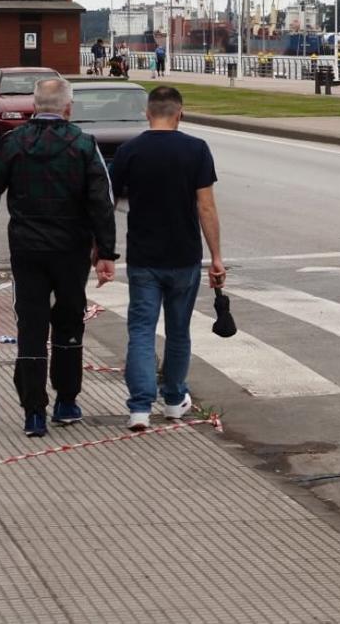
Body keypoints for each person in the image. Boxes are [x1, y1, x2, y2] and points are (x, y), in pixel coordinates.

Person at [0, 78, 117, 437]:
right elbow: (101, 201)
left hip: (27, 249)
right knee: (69, 322)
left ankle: (33, 411)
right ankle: (66, 401)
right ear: (68, 107)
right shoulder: (84, 145)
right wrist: (105, 251)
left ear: (35, 106)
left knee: (31, 325)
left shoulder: (13, 142)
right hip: (71, 250)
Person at [110, 86, 225, 431]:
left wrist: (100, 248)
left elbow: (107, 202)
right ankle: (174, 400)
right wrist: (216, 256)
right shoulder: (197, 150)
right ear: (180, 114)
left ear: (147, 114)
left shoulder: (129, 151)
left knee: (141, 331)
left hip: (144, 257)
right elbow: (206, 206)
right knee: (178, 331)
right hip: (184, 255)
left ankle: (139, 408)